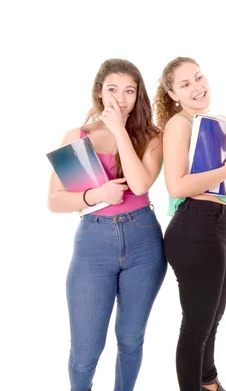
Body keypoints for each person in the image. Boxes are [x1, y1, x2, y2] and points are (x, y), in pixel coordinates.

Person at [47, 58, 167, 391]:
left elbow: (141, 185)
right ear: (100, 92)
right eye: (113, 89)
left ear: (138, 95)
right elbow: (54, 200)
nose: (120, 98)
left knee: (130, 340)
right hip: (93, 245)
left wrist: (119, 130)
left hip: (143, 241)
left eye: (129, 91)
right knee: (85, 351)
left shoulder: (152, 138)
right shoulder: (78, 136)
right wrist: (95, 194)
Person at [154, 56, 226, 391]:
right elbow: (177, 185)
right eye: (185, 84)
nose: (198, 87)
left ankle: (209, 383)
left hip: (219, 225)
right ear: (173, 94)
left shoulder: (217, 122)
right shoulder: (180, 125)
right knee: (196, 329)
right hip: (194, 228)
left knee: (212, 320)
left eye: (199, 78)